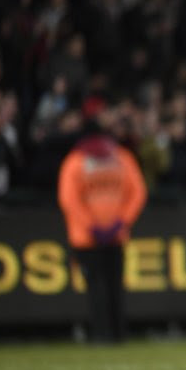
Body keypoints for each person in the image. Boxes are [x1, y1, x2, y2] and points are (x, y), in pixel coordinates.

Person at [57, 119, 147, 343]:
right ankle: (115, 334)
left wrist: (95, 226)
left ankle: (105, 334)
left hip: (89, 237)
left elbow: (68, 199)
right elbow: (137, 193)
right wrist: (119, 223)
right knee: (111, 286)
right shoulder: (121, 158)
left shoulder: (75, 162)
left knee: (99, 287)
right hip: (100, 236)